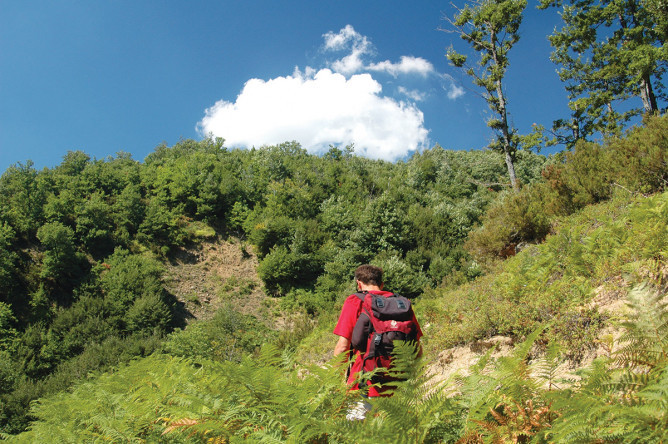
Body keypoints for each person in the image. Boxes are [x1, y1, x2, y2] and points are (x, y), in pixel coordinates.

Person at [333, 264, 422, 419]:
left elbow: (342, 347)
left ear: (358, 283)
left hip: (363, 386)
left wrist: (333, 380)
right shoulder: (402, 305)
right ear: (382, 285)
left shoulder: (355, 301)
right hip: (398, 388)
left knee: (356, 435)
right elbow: (417, 350)